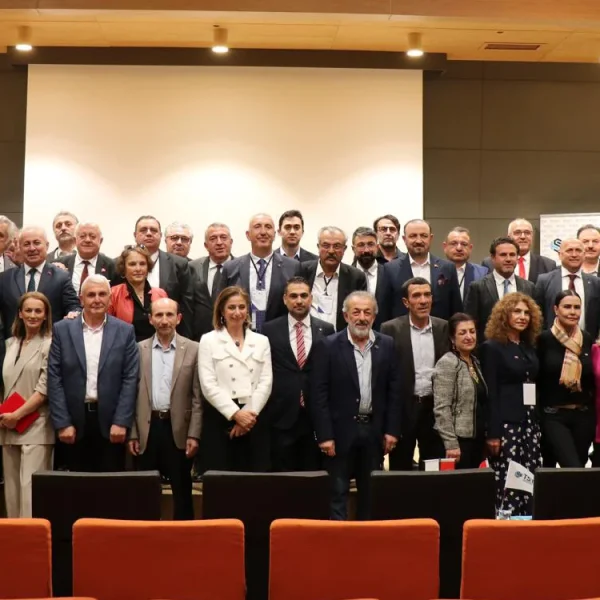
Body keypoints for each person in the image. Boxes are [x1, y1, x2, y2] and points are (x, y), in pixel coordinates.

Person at [310, 291, 400, 520]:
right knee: (337, 493)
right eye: (356, 312)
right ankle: (337, 539)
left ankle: (367, 539)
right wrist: (325, 435)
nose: (362, 318)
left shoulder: (387, 345)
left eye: (367, 312)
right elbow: (318, 394)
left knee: (371, 494)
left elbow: (394, 391)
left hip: (373, 431)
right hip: (339, 433)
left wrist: (391, 430)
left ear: (374, 316)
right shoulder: (328, 346)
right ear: (346, 316)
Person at [47, 275, 139, 472]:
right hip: (73, 423)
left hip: (111, 423)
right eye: (91, 295)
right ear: (81, 299)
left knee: (110, 486)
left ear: (110, 298)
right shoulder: (62, 330)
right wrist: (62, 423)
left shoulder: (125, 331)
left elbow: (130, 379)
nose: (97, 299)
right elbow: (54, 378)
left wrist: (121, 421)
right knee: (76, 486)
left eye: (102, 294)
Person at [129, 298, 201, 519]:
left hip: (178, 429)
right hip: (147, 428)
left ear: (178, 318)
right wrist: (133, 433)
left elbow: (197, 397)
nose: (164, 320)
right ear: (150, 319)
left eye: (169, 315)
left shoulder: (194, 349)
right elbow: (131, 394)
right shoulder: (138, 349)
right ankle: (146, 535)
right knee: (144, 494)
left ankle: (184, 535)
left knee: (182, 492)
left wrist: (194, 434)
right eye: (159, 315)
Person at [262, 277, 334, 471]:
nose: (299, 301)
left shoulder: (327, 330)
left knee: (313, 476)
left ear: (311, 298)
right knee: (282, 476)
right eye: (293, 296)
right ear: (285, 299)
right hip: (281, 414)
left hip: (314, 416)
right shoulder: (269, 330)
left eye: (304, 296)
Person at [480, 292, 542, 515]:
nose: (522, 316)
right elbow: (491, 393)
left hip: (530, 424)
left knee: (530, 478)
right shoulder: (492, 347)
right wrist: (493, 433)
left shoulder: (528, 346)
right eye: (517, 311)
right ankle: (507, 524)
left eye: (526, 312)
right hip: (507, 425)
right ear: (504, 315)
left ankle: (528, 522)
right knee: (508, 480)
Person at [198, 286, 272, 471]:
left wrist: (247, 416)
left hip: (253, 417)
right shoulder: (209, 340)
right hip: (221, 416)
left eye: (241, 307)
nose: (237, 312)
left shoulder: (261, 341)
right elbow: (208, 384)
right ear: (222, 311)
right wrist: (235, 414)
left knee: (255, 477)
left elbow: (265, 382)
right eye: (231, 307)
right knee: (222, 479)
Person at [381, 277, 449, 470]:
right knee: (401, 469)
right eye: (417, 296)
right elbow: (386, 374)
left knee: (434, 468)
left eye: (427, 295)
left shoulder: (443, 327)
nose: (423, 300)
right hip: (404, 408)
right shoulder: (390, 329)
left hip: (434, 409)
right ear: (406, 302)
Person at [1, 292, 54, 517]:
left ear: (45, 315)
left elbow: (44, 389)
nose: (33, 315)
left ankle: (33, 540)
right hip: (7, 426)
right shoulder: (10, 344)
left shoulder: (50, 344)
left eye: (38, 311)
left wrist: (17, 415)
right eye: (28, 310)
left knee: (31, 496)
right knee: (11, 496)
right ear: (20, 314)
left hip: (36, 425)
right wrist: (6, 416)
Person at [537, 290, 595, 468]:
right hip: (553, 416)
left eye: (577, 307)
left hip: (583, 415)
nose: (572, 312)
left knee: (580, 465)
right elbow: (536, 379)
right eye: (567, 307)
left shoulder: (586, 338)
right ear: (556, 309)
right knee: (572, 467)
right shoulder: (543, 339)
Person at [215, 214, 299, 333]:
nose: (263, 232)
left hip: (279, 336)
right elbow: (220, 306)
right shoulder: (231, 267)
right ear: (248, 235)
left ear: (274, 234)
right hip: (241, 334)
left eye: (268, 227)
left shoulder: (292, 267)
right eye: (257, 226)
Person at [378, 219, 462, 323]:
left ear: (431, 238)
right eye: (413, 236)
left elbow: (456, 310)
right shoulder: (390, 269)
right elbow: (384, 310)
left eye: (423, 236)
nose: (418, 241)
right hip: (402, 332)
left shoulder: (448, 268)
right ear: (404, 239)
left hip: (440, 331)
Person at [0, 227, 80, 334]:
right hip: (13, 341)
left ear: (47, 245)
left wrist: (74, 313)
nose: (32, 248)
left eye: (37, 243)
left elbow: (73, 307)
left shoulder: (61, 277)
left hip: (50, 341)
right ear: (20, 248)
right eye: (26, 244)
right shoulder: (5, 278)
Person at [433, 313, 487, 469]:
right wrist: (451, 443)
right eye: (463, 333)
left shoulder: (475, 362)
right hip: (457, 442)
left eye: (472, 331)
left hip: (476, 439)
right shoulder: (448, 363)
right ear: (452, 338)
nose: (469, 337)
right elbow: (442, 408)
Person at [465, 237, 535, 342]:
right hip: (487, 347)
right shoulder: (477, 287)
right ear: (493, 258)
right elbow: (471, 323)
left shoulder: (529, 287)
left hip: (520, 347)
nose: (508, 259)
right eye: (503, 255)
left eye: (512, 255)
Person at [133, 215, 194, 338]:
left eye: (153, 230)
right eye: (143, 230)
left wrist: (184, 338)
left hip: (169, 333)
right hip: (132, 334)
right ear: (135, 235)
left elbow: (186, 305)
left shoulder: (179, 264)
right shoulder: (122, 263)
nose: (149, 233)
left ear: (161, 236)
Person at [300, 226, 367, 331]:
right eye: (326, 246)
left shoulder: (356, 277)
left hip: (340, 336)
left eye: (337, 246)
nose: (331, 251)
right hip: (307, 334)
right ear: (318, 247)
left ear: (344, 249)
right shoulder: (302, 271)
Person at [535, 238, 600, 339]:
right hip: (551, 343)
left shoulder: (596, 283)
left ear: (584, 255)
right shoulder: (544, 280)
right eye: (569, 250)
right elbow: (537, 316)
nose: (574, 254)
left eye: (578, 250)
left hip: (586, 343)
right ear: (560, 254)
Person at [109, 246, 168, 342]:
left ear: (148, 267)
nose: (138, 269)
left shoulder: (161, 294)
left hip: (155, 348)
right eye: (132, 264)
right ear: (123, 268)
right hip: (125, 348)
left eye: (142, 264)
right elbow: (108, 329)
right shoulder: (112, 294)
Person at [483, 218, 556, 283]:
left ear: (532, 236)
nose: (523, 237)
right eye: (517, 233)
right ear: (509, 237)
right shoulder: (489, 263)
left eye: (527, 233)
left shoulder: (548, 265)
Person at [56, 223, 116, 293]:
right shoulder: (59, 264)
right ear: (75, 240)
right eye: (82, 236)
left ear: (101, 241)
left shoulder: (112, 266)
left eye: (92, 237)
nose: (87, 240)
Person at [442, 226, 488, 303]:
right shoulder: (436, 271)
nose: (459, 248)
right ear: (445, 247)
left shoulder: (483, 273)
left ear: (470, 248)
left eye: (464, 244)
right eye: (453, 243)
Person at [189, 222, 234, 298]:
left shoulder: (241, 267)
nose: (219, 242)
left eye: (223, 237)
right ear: (206, 245)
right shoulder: (192, 267)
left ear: (231, 242)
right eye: (213, 239)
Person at [352, 227, 384, 297]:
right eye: (361, 245)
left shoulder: (389, 274)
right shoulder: (344, 276)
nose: (366, 250)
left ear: (377, 247)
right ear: (353, 249)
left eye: (370, 244)